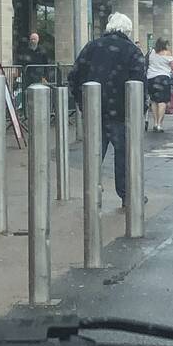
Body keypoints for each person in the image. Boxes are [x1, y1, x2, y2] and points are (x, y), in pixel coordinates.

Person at [67, 12, 146, 208]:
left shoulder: (92, 47)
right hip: (122, 112)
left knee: (94, 154)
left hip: (95, 110)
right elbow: (139, 83)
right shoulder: (132, 51)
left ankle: (92, 192)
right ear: (127, 30)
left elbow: (74, 76)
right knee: (124, 155)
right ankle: (127, 195)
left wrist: (82, 102)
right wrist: (140, 109)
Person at [146, 38, 173, 132]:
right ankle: (159, 124)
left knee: (154, 101)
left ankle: (155, 123)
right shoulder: (167, 53)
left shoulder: (151, 52)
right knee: (162, 102)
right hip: (163, 79)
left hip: (151, 78)